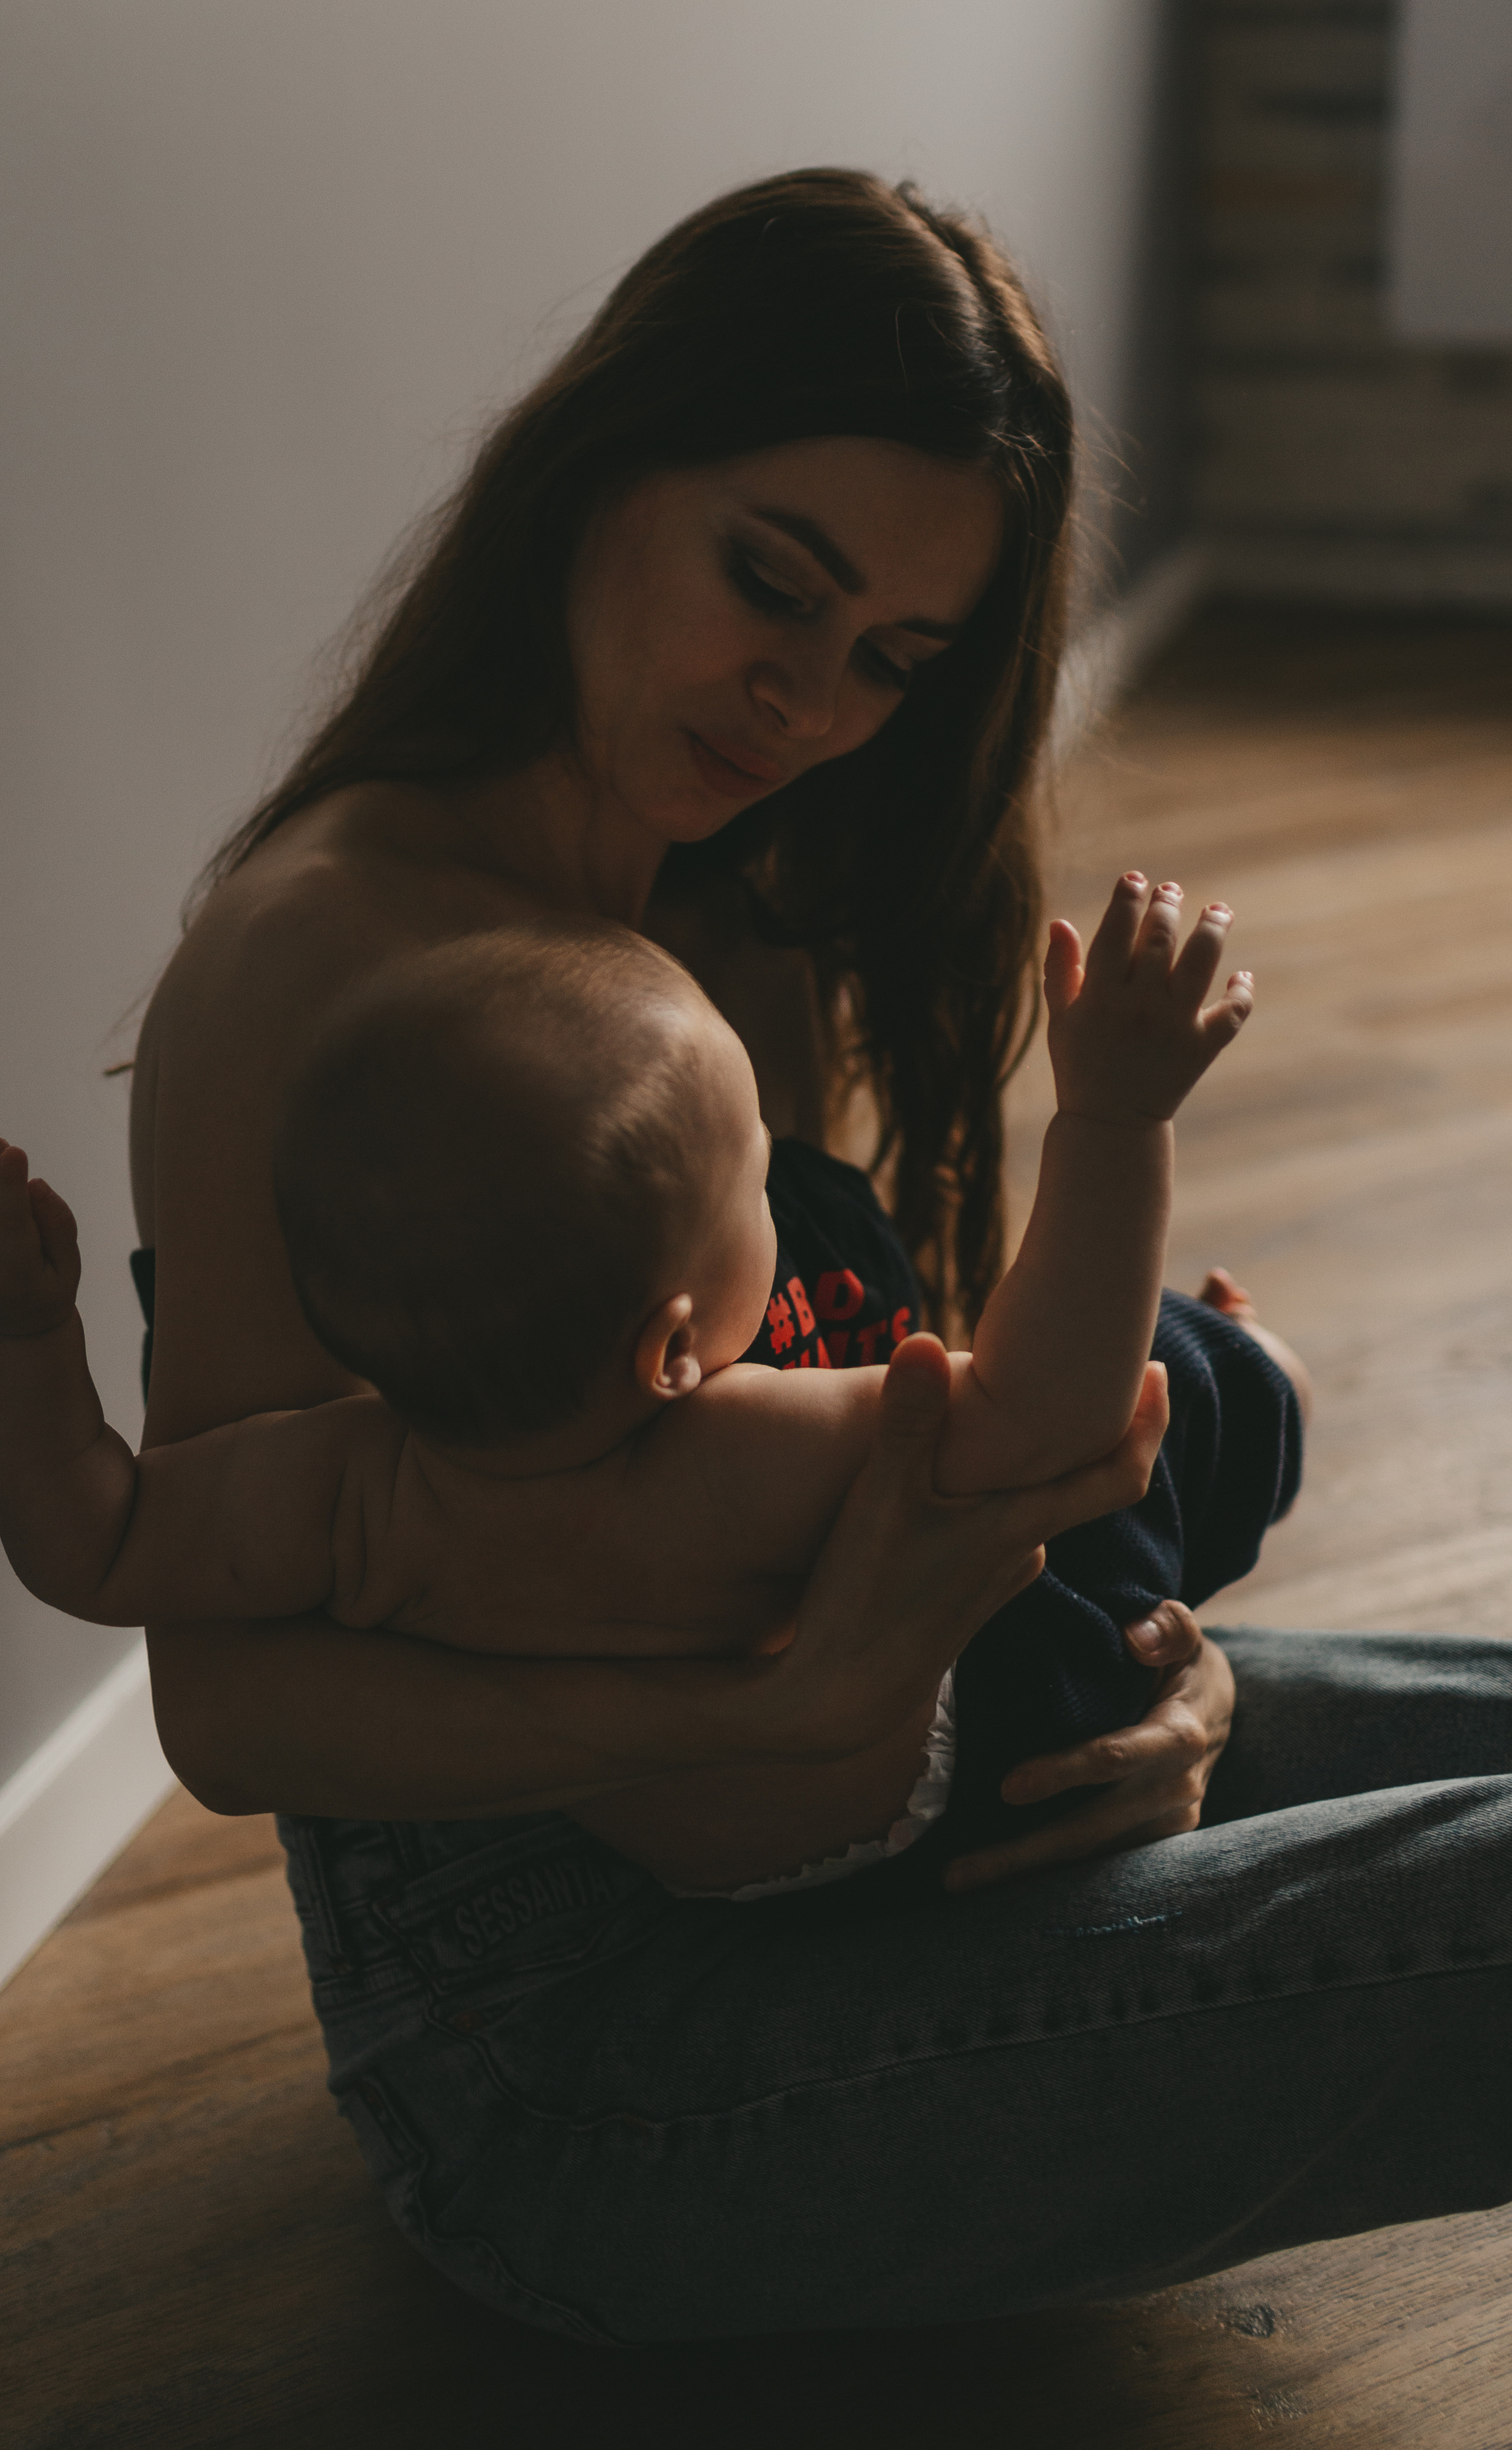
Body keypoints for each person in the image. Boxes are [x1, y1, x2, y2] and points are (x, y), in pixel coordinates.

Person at [92, 167, 1512, 2336]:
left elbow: (836, 1452)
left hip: (886, 1826)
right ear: (601, 464)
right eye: (773, 582)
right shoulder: (323, 962)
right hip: (576, 2064)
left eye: (892, 663)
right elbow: (230, 1700)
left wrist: (1160, 1683)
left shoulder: (725, 900)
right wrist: (778, 1698)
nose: (807, 702)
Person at [0, 873, 1303, 1894]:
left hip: (710, 1881)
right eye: (758, 1176)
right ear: (672, 1347)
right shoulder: (737, 1449)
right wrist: (1113, 1122)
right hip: (981, 1756)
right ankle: (1264, 1366)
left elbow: (90, 1544)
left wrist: (22, 1336)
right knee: (1171, 1365)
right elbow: (1043, 1424)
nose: (776, 1187)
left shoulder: (339, 1491)